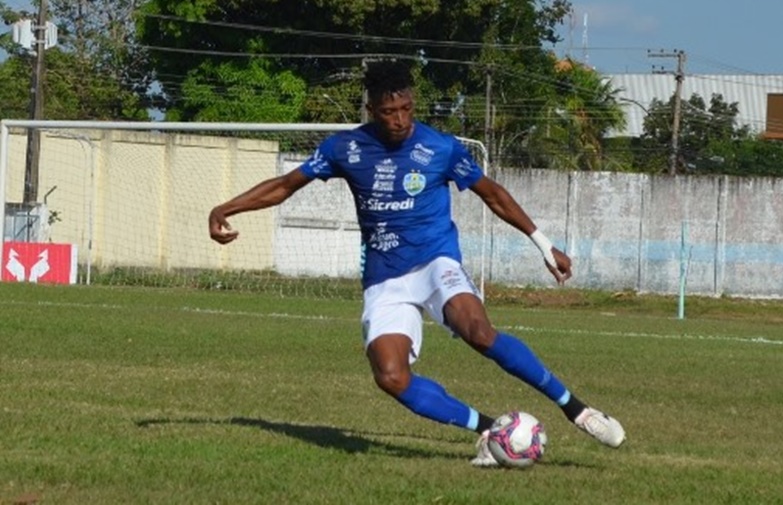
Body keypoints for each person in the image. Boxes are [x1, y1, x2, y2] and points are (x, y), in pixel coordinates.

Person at [208, 59, 625, 467]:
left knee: (478, 331)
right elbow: (284, 185)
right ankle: (488, 429)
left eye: (406, 108)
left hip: (435, 261)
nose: (400, 119)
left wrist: (543, 243)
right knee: (390, 377)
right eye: (389, 112)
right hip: (384, 278)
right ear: (371, 110)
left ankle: (577, 409)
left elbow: (491, 193)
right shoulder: (345, 148)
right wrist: (227, 207)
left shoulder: (439, 147)